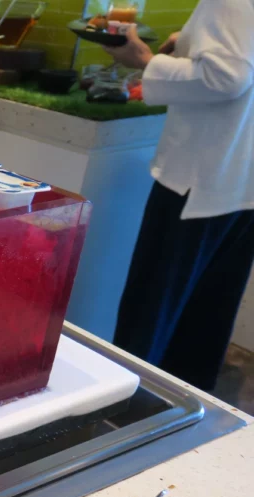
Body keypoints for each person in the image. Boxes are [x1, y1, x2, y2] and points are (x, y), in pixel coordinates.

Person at [104, 0, 254, 391]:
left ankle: (125, 420)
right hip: (240, 182)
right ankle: (183, 420)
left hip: (196, 180)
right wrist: (188, 43)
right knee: (205, 320)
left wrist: (144, 59)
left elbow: (227, 77)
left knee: (150, 316)